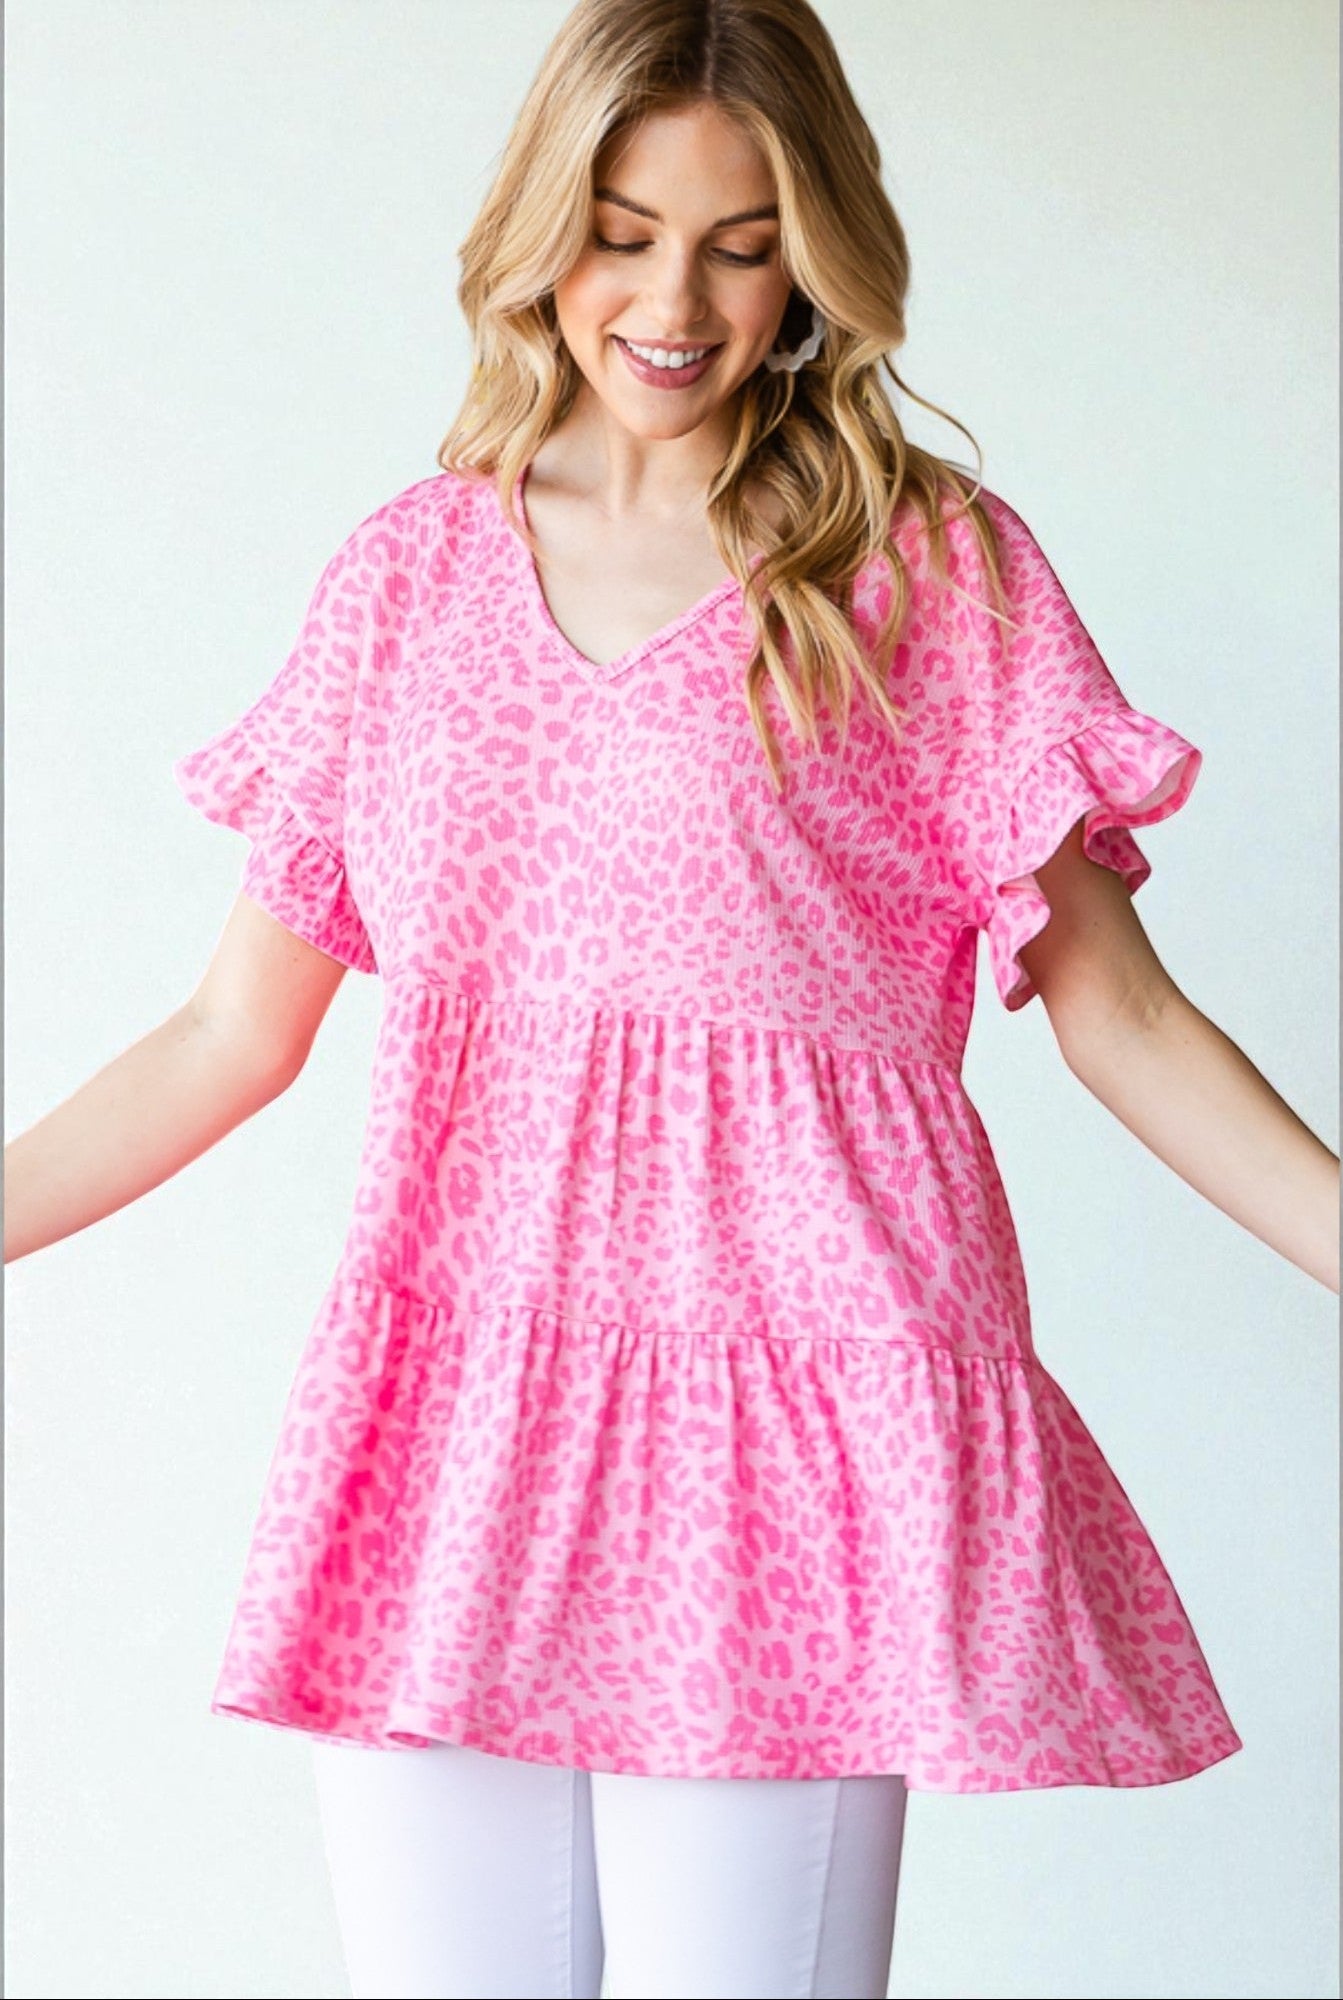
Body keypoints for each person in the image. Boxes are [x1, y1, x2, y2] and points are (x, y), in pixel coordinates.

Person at [6, 1, 1338, 1996]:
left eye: (742, 238)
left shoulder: (923, 572)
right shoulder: (407, 582)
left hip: (790, 1422)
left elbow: (1118, 1012)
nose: (675, 299)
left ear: (816, 251)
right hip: (459, 1419)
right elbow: (232, 1033)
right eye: (624, 229)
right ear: (543, 227)